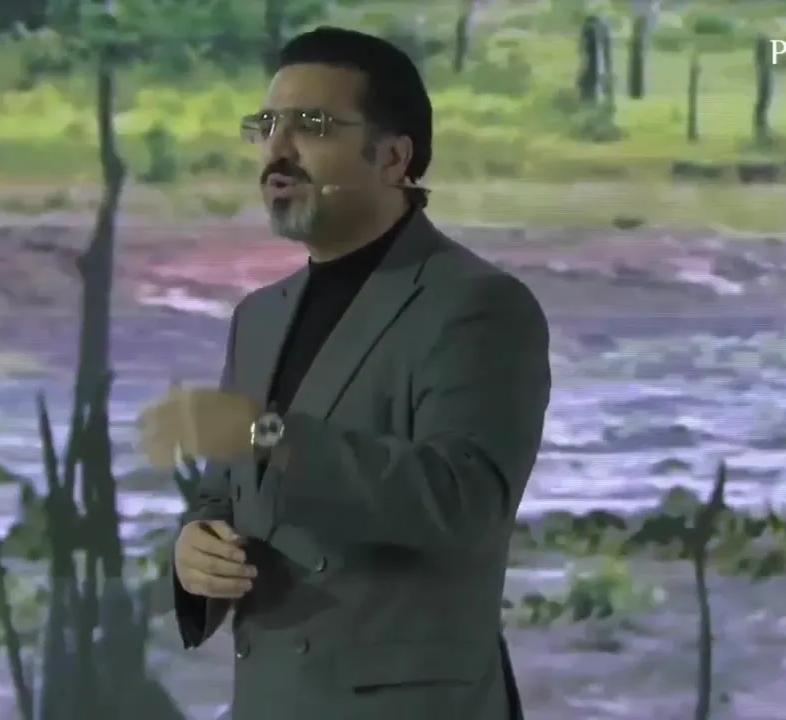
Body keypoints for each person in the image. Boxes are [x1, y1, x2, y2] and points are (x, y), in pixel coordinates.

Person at [137, 26, 551, 720]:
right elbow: (224, 493)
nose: (278, 149)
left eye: (311, 126)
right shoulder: (258, 317)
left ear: (393, 158)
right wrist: (194, 550)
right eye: (266, 126)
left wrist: (269, 436)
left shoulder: (477, 305)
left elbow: (464, 503)